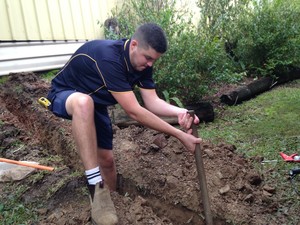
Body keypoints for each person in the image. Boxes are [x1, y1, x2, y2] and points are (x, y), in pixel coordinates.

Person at [46, 23, 201, 225]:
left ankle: (115, 200)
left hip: (97, 104)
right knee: (84, 103)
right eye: (148, 58)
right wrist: (180, 134)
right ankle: (96, 188)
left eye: (154, 60)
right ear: (134, 44)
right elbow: (134, 111)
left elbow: (152, 102)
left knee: (108, 161)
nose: (150, 65)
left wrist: (180, 111)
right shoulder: (109, 57)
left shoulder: (142, 64)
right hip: (65, 94)